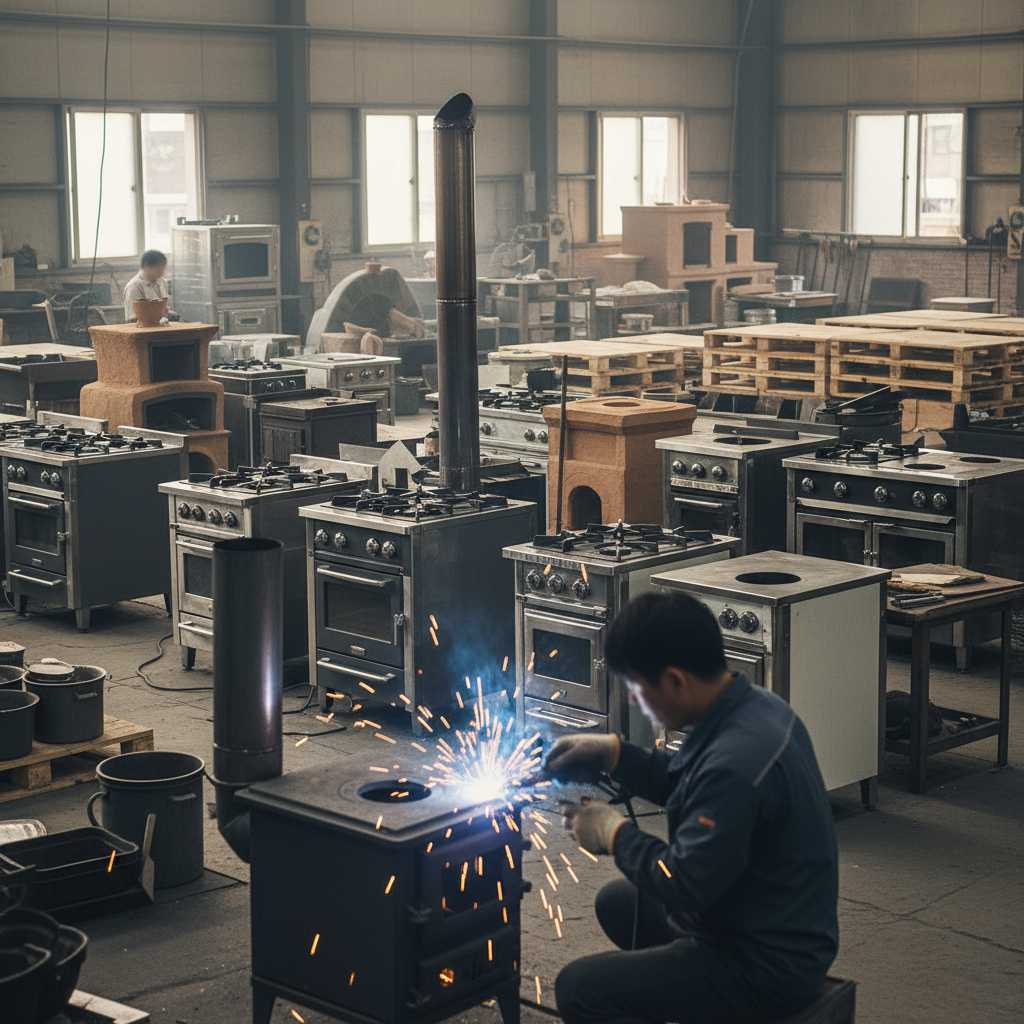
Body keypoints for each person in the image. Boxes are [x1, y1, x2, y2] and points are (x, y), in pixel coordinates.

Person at [545, 591, 838, 1024]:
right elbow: (691, 782)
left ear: (676, 681)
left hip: (765, 963)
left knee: (578, 990)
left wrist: (615, 833)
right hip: (765, 913)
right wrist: (616, 754)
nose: (632, 702)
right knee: (617, 901)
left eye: (636, 690)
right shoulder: (754, 707)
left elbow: (683, 883)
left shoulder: (735, 766)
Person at [123, 250, 170, 321]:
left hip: (162, 327)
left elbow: (164, 310)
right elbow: (132, 318)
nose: (162, 273)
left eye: (163, 269)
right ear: (146, 267)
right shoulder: (134, 287)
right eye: (159, 270)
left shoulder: (162, 282)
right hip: (143, 329)